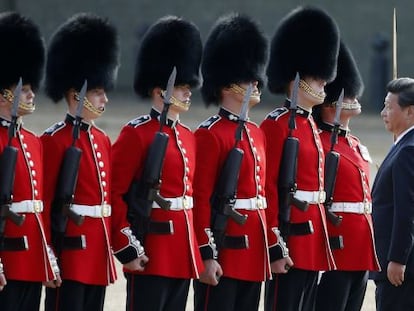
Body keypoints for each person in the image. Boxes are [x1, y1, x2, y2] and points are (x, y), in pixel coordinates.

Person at [41, 13, 146, 311]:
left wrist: (124, 246)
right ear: (78, 93)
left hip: (96, 252)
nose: (104, 100)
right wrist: (48, 255)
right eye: (98, 93)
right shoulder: (54, 140)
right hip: (70, 253)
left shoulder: (100, 139)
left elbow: (108, 201)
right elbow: (47, 202)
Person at [111, 16, 204, 310]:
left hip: (181, 251)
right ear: (159, 90)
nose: (188, 91)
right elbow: (115, 193)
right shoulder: (136, 134)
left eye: (189, 85)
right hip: (150, 248)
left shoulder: (188, 136)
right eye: (181, 86)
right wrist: (127, 246)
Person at [260, 6, 340, 311]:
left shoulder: (309, 124)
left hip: (312, 234)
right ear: (296, 78)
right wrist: (275, 243)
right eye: (316, 77)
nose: (324, 83)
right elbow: (268, 187)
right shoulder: (276, 124)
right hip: (290, 235)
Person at [192, 13, 273, 311]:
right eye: (246, 78)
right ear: (227, 85)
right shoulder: (209, 135)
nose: (255, 82)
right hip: (224, 249)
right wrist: (206, 253)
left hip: (253, 251)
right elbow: (200, 199)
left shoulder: (256, 132)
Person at [313, 41, 380, 311]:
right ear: (331, 103)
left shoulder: (353, 142)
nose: (354, 99)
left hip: (361, 246)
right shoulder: (320, 142)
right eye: (347, 95)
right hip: (336, 245)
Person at [0, 12, 61, 310]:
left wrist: (46, 255)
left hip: (30, 258)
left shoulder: (33, 141)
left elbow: (41, 206)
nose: (30, 94)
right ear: (3, 94)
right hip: (5, 256)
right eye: (23, 90)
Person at [371, 77, 414, 310]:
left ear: (410, 112)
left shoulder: (408, 150)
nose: (383, 112)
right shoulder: (402, 144)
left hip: (399, 265)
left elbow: (406, 211)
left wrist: (398, 258)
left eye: (389, 106)